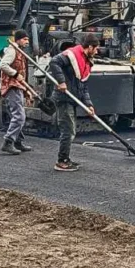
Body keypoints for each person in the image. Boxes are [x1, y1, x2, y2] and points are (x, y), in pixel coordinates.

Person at [47, 33, 100, 172]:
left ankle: (66, 158)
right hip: (63, 98)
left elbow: (83, 86)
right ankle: (61, 161)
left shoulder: (86, 62)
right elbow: (54, 62)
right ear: (89, 47)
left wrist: (89, 105)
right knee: (68, 130)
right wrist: (61, 81)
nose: (97, 51)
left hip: (72, 99)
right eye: (96, 48)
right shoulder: (71, 55)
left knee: (70, 130)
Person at [0, 30, 33, 155]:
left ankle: (18, 141)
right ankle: (8, 142)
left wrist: (26, 90)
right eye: (25, 39)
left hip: (18, 86)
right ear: (18, 40)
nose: (27, 42)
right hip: (11, 86)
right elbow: (2, 65)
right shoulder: (12, 51)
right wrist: (15, 74)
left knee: (19, 114)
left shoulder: (21, 52)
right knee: (19, 116)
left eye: (28, 40)